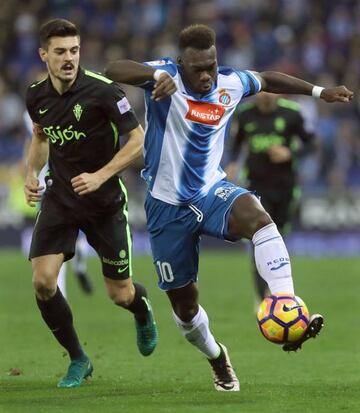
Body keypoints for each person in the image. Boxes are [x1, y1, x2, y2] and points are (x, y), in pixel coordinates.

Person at [105, 24, 353, 392]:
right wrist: (157, 75)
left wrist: (319, 92)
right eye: (197, 68)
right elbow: (114, 70)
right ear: (180, 64)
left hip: (211, 191)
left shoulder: (230, 83)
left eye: (212, 65)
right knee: (186, 311)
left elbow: (267, 79)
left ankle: (284, 301)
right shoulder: (164, 76)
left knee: (259, 218)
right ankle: (217, 357)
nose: (206, 75)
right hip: (166, 207)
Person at [24, 18, 157, 388]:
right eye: (61, 52)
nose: (69, 58)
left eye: (75, 50)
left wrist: (101, 175)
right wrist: (31, 175)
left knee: (120, 293)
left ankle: (141, 309)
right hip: (61, 200)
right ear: (44, 54)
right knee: (43, 283)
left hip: (104, 203)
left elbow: (137, 140)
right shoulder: (36, 95)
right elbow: (40, 138)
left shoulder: (103, 91)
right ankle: (79, 359)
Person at [226, 92, 316, 302]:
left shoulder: (292, 113)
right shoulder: (244, 114)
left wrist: (290, 153)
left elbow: (311, 144)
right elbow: (236, 143)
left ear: (278, 95)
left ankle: (278, 293)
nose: (265, 97)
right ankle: (263, 298)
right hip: (256, 187)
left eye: (270, 93)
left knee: (279, 239)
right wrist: (232, 163)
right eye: (261, 93)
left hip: (285, 186)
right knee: (259, 239)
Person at [23, 110, 93, 296]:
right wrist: (30, 173)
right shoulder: (38, 106)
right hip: (49, 182)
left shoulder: (67, 106)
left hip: (68, 179)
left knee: (74, 237)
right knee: (57, 240)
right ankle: (66, 285)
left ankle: (78, 268)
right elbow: (33, 142)